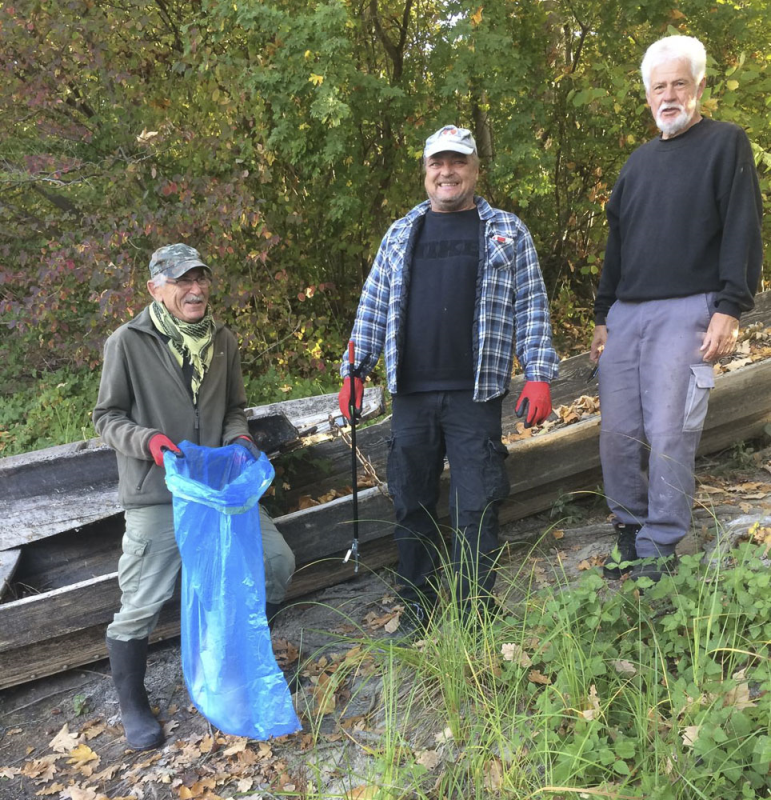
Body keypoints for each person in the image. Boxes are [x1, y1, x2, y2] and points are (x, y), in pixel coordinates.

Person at [339, 124, 559, 623]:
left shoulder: (507, 231)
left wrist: (538, 373)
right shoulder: (401, 233)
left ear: (475, 170)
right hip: (411, 394)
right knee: (411, 504)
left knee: (477, 505)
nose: (447, 171)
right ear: (425, 172)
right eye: (437, 163)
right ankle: (417, 611)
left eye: (458, 162)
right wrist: (355, 369)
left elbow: (531, 305)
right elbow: (372, 304)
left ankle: (473, 614)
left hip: (475, 394)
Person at [93, 244, 295, 750]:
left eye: (201, 278)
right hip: (159, 492)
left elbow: (235, 407)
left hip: (220, 491)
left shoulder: (222, 340)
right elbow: (107, 418)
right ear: (155, 288)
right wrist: (150, 443)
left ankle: (232, 666)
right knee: (141, 601)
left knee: (275, 562)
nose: (196, 289)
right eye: (183, 280)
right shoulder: (127, 342)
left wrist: (238, 439)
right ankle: (132, 703)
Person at [590, 35, 763, 582]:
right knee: (617, 433)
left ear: (699, 87)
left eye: (679, 84)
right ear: (648, 96)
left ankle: (661, 543)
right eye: (659, 86)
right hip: (626, 314)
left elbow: (742, 226)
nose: (668, 95)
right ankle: (628, 529)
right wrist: (601, 317)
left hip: (689, 308)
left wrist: (730, 306)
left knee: (670, 432)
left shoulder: (725, 143)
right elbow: (616, 245)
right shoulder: (637, 163)